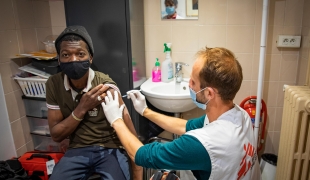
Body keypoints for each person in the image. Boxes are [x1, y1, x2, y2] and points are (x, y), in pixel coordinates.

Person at [101, 47, 262, 180]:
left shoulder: (204, 144)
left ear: (210, 94)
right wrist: (146, 111)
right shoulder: (240, 115)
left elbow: (141, 155)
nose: (189, 85)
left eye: (193, 81)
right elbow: (185, 125)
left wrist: (116, 120)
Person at [46, 25, 142, 180]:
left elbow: (128, 128)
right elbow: (56, 135)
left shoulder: (104, 86)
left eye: (80, 54)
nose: (73, 60)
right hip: (77, 148)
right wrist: (82, 108)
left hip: (109, 148)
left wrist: (137, 168)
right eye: (66, 55)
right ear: (59, 59)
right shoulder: (53, 84)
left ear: (90, 57)